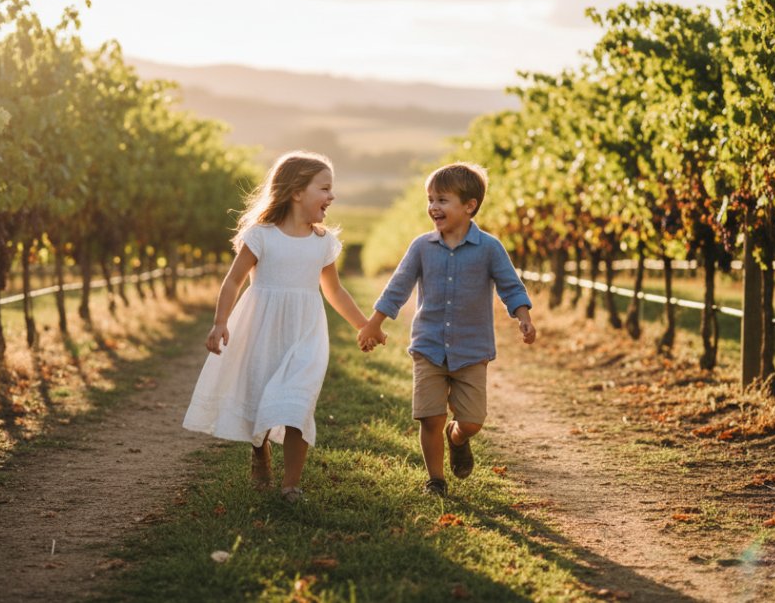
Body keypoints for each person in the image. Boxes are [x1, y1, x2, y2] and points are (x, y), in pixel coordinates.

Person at [182, 151, 377, 503]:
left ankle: (291, 485)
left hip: (305, 332)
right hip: (262, 327)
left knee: (297, 404)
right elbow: (233, 280)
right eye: (325, 188)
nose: (331, 197)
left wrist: (363, 325)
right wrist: (221, 322)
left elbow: (334, 290)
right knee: (260, 395)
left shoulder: (323, 243)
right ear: (296, 192)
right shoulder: (262, 236)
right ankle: (259, 450)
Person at [357, 162, 535, 497]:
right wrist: (373, 324)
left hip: (472, 349)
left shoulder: (489, 248)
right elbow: (398, 287)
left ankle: (458, 437)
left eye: (442, 200)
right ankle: (435, 481)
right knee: (430, 418)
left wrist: (523, 316)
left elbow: (510, 286)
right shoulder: (421, 247)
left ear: (469, 206)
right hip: (429, 346)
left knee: (472, 421)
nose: (433, 207)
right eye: (431, 199)